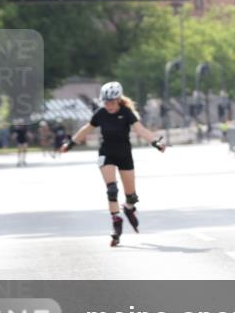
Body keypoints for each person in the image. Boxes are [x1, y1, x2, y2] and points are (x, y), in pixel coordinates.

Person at [61, 81, 166, 247]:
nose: (108, 105)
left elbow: (140, 129)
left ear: (118, 100)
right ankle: (116, 223)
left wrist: (155, 143)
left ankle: (129, 207)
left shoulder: (126, 112)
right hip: (106, 154)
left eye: (111, 102)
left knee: (131, 196)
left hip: (124, 155)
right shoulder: (101, 113)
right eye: (105, 102)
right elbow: (87, 129)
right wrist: (70, 144)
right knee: (112, 189)